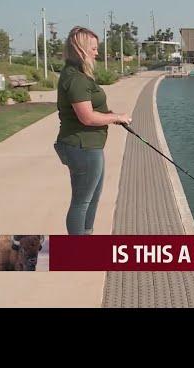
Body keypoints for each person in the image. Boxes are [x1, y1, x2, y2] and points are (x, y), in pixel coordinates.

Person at [53, 26, 132, 235]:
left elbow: (90, 109)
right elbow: (86, 117)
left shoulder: (78, 74)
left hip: (90, 146)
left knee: (92, 198)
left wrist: (108, 115)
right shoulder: (76, 79)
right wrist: (117, 117)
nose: (97, 53)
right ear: (81, 49)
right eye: (94, 48)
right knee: (82, 201)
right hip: (82, 146)